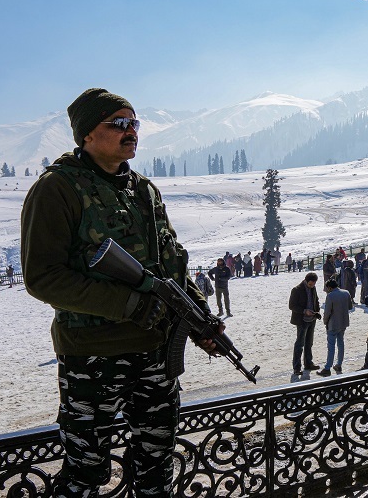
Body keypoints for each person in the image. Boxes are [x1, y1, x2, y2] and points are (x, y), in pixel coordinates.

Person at [20, 88, 220, 496]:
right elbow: (43, 277)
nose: (131, 132)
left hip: (155, 354)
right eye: (119, 124)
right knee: (87, 474)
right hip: (92, 355)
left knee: (157, 464)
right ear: (86, 135)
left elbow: (171, 267)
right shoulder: (57, 189)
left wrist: (199, 317)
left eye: (134, 123)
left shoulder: (145, 190)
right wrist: (130, 304)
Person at [288, 272, 321, 376]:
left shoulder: (313, 288)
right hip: (301, 320)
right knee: (300, 344)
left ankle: (308, 363)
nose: (312, 286)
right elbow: (292, 306)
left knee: (309, 343)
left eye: (314, 284)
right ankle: (297, 367)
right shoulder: (296, 290)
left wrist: (317, 311)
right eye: (310, 284)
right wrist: (304, 311)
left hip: (312, 319)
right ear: (306, 281)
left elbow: (316, 300)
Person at [317, 279, 351, 376]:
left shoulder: (330, 296)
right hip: (343, 323)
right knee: (341, 344)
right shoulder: (346, 293)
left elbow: (327, 312)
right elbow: (350, 306)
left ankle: (327, 368)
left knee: (331, 346)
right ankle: (339, 364)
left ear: (330, 287)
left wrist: (325, 321)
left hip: (333, 324)